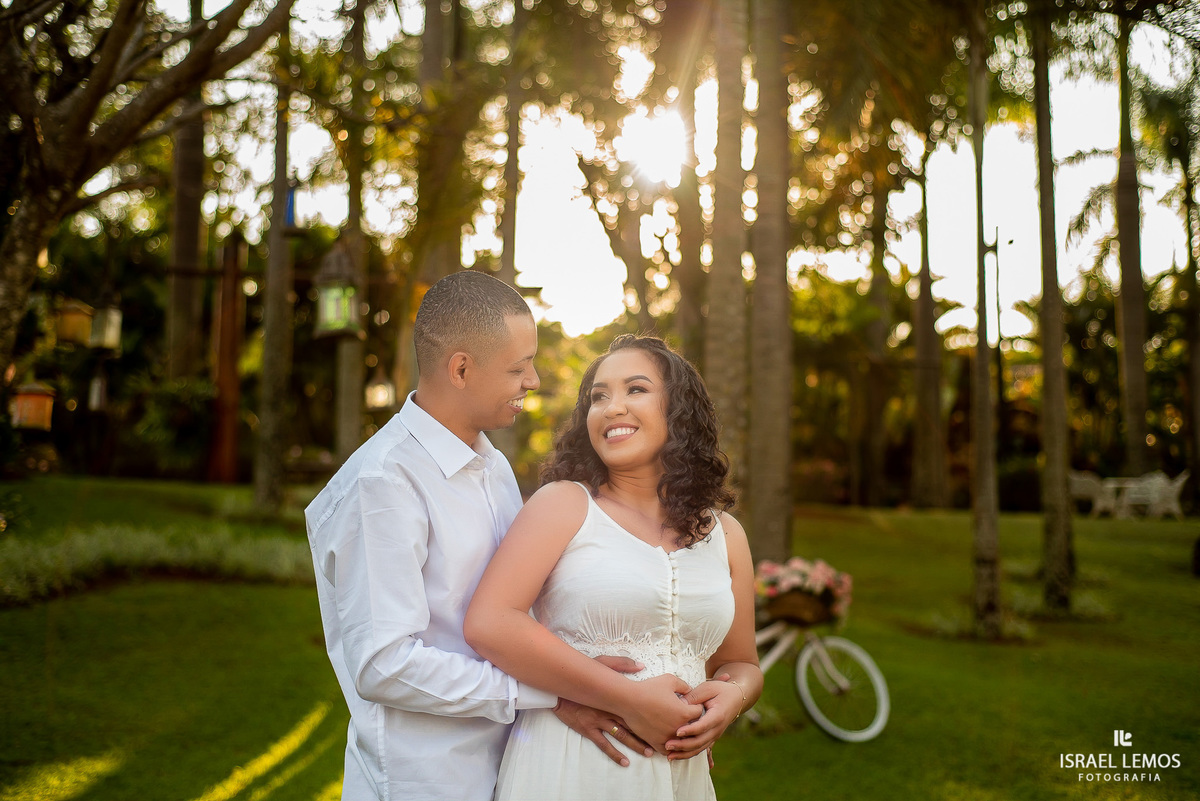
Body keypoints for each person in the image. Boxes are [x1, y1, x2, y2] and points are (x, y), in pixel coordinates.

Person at [305, 273, 692, 801]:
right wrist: (545, 693)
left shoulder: (493, 466)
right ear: (461, 368)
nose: (533, 380)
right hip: (427, 783)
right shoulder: (382, 484)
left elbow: (521, 609)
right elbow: (384, 665)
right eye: (519, 366)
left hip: (518, 769)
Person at [465, 334, 763, 801]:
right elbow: (490, 622)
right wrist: (629, 699)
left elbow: (740, 662)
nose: (611, 407)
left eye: (636, 389)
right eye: (598, 397)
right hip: (576, 764)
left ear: (679, 410)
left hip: (682, 777)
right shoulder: (564, 504)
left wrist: (732, 699)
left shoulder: (727, 535)